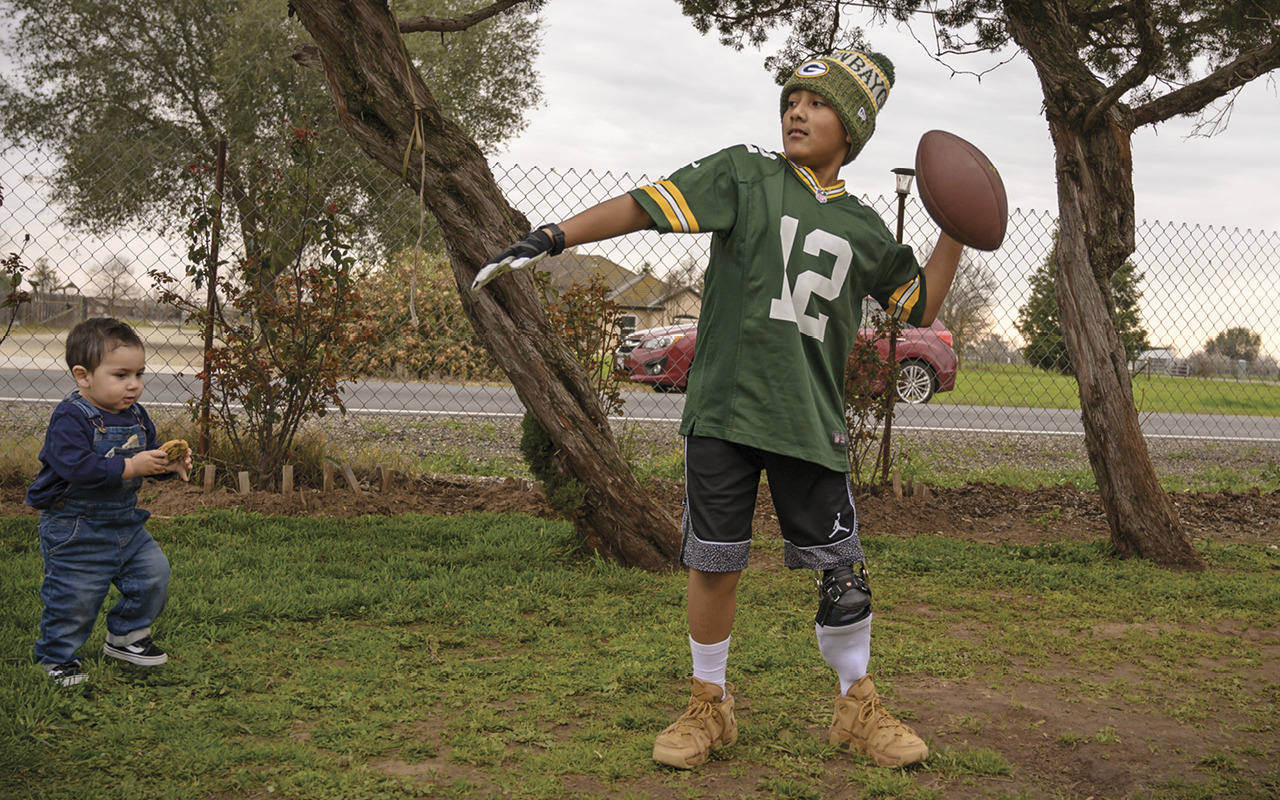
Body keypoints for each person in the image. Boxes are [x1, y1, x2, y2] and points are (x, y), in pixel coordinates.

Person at [473, 49, 962, 769]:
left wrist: (958, 225)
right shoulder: (746, 175)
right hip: (726, 413)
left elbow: (918, 303)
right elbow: (647, 203)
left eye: (818, 103)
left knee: (844, 575)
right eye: (792, 98)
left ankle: (857, 706)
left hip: (808, 418)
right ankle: (710, 703)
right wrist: (554, 235)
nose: (797, 110)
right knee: (714, 563)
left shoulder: (862, 226)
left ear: (851, 130)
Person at [26, 317, 191, 687]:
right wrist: (132, 465)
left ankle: (126, 637)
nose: (133, 384)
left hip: (125, 523)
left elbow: (145, 460)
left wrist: (166, 464)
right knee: (75, 597)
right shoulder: (71, 417)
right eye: (121, 375)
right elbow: (78, 468)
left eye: (139, 373)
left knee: (153, 575)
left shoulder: (135, 415)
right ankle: (56, 658)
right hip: (75, 526)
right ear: (84, 376)